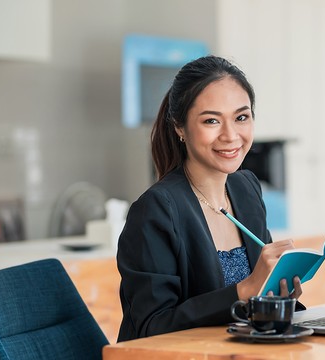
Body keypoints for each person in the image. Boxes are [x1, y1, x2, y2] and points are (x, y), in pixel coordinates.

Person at [117, 55, 304, 341]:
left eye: (241, 117)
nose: (230, 135)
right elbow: (150, 328)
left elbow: (251, 307)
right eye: (212, 120)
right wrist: (244, 290)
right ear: (180, 127)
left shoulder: (246, 189)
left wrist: (275, 293)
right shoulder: (156, 209)